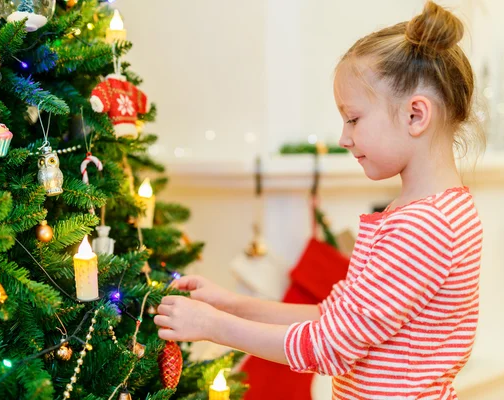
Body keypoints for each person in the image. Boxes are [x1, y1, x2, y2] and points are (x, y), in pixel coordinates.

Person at [154, 2, 484, 398]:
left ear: (416, 115)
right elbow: (334, 319)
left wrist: (214, 327)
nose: (344, 138)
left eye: (354, 118)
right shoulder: (429, 213)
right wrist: (229, 305)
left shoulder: (425, 227)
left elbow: (330, 346)